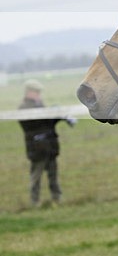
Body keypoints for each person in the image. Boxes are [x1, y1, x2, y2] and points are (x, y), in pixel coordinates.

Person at [18, 79, 75, 207]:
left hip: (49, 147)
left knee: (53, 178)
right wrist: (52, 114)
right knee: (36, 178)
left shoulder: (40, 105)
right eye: (36, 92)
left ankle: (57, 199)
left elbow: (47, 125)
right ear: (28, 92)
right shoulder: (24, 108)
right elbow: (33, 126)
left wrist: (59, 116)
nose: (39, 95)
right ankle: (34, 203)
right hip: (37, 149)